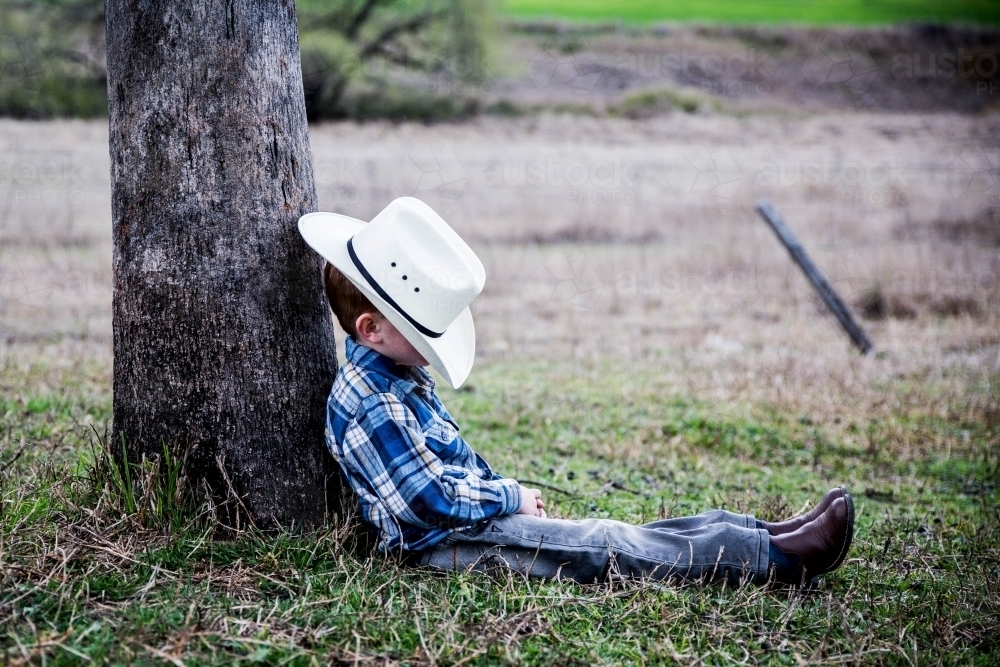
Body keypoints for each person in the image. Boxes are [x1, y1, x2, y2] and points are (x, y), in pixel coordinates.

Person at [298, 197, 854, 587]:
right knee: (601, 546)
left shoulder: (395, 376)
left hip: (464, 527)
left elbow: (451, 466)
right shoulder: (374, 401)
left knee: (614, 535)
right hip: (444, 549)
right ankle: (774, 559)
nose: (432, 346)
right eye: (424, 334)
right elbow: (428, 502)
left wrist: (500, 491)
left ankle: (756, 533)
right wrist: (510, 497)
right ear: (371, 329)